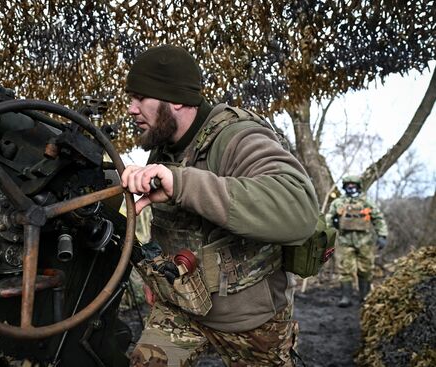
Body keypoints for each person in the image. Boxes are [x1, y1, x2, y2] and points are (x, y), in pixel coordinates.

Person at [120, 45, 319, 367]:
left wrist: (182, 183)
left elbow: (299, 208)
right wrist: (158, 279)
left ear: (176, 99)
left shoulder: (238, 137)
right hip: (181, 308)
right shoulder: (165, 148)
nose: (131, 109)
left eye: (139, 97)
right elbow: (170, 228)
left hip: (250, 320)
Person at [326, 175, 388, 308]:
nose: (350, 187)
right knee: (345, 269)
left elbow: (378, 218)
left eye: (353, 184)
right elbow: (328, 220)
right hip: (344, 241)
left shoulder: (366, 202)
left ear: (358, 186)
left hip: (365, 241)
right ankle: (346, 297)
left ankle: (365, 297)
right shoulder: (338, 203)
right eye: (348, 184)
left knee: (365, 269)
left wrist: (382, 235)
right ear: (344, 186)